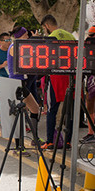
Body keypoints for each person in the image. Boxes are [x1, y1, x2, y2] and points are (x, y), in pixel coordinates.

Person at [40, 14, 74, 150]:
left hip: (55, 77)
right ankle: (68, 141)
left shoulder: (51, 37)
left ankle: (49, 141)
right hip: (70, 76)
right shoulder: (70, 36)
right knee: (69, 111)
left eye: (43, 28)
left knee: (51, 110)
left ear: (47, 26)